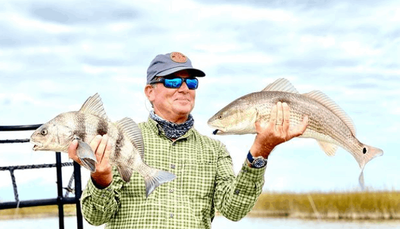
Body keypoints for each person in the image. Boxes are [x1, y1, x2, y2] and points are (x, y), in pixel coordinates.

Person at [68, 52, 308, 228]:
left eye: (191, 81)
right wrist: (101, 179)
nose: (184, 87)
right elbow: (95, 217)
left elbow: (234, 210)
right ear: (149, 92)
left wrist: (260, 151)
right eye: (172, 81)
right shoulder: (121, 138)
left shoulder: (214, 150)